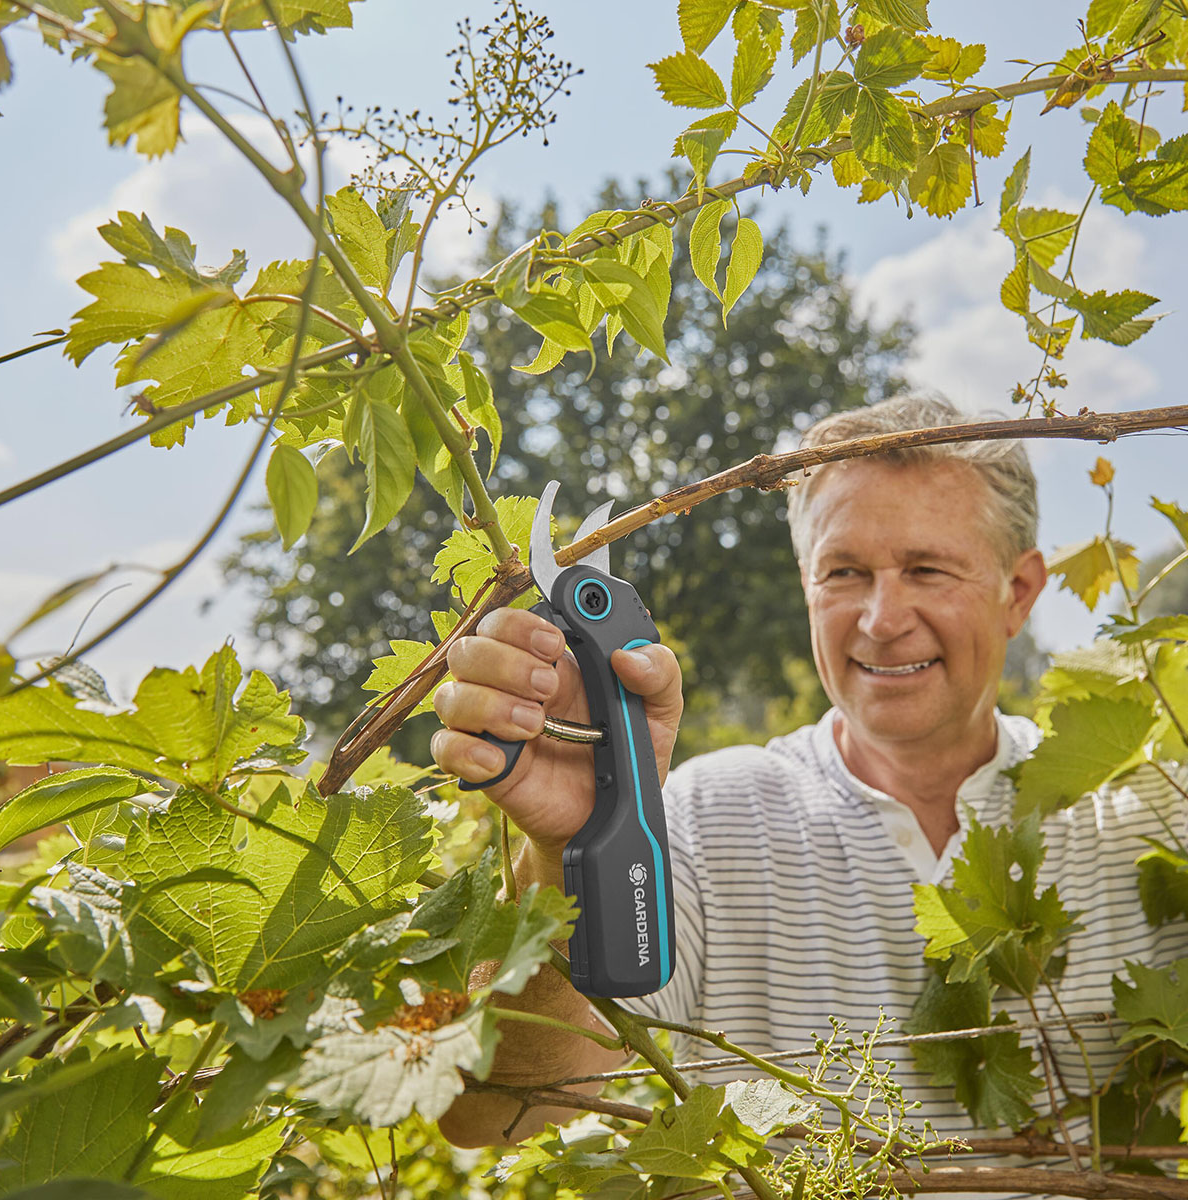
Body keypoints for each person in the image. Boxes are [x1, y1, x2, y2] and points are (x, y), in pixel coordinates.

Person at [432, 395, 1188, 1149]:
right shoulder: (697, 818)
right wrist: (573, 856)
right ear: (805, 584)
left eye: (927, 569)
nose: (882, 620)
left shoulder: (1148, 814)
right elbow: (498, 1115)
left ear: (1018, 592)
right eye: (845, 572)